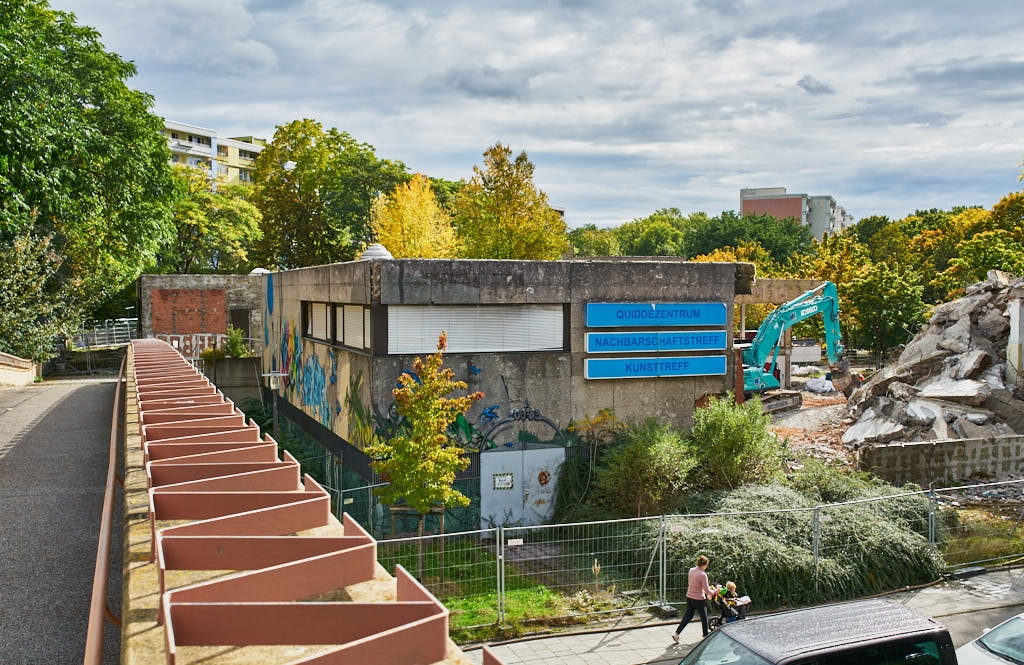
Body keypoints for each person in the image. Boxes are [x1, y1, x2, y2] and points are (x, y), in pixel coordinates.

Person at [672, 554, 716, 643]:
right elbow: (707, 590)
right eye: (706, 565)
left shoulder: (691, 570)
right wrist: (715, 591)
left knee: (688, 616)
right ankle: (705, 636)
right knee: (704, 617)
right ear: (704, 565)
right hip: (699, 599)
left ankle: (677, 633)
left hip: (690, 596)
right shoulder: (703, 575)